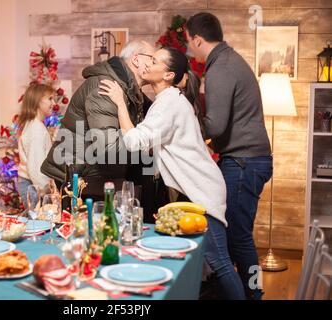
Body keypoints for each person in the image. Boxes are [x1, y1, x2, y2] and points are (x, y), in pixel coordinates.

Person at [99, 46, 246, 300]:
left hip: (202, 193)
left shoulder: (168, 104)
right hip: (195, 191)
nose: (147, 64)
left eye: (154, 61)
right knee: (204, 261)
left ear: (168, 75)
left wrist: (119, 102)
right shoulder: (167, 100)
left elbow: (135, 141)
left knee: (219, 261)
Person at [186, 12, 272, 300]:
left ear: (197, 39)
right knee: (241, 237)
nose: (188, 49)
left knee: (240, 238)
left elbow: (215, 126)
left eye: (189, 42)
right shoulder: (229, 59)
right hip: (248, 159)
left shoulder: (220, 67)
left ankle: (255, 294)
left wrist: (186, 121)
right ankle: (252, 292)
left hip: (244, 161)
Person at [40, 40, 155, 201]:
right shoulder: (105, 87)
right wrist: (146, 147)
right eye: (152, 58)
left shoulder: (129, 90)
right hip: (81, 180)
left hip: (95, 177)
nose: (155, 64)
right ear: (136, 60)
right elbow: (108, 150)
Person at [17, 83, 56, 209]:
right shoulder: (36, 130)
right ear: (38, 101)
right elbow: (35, 167)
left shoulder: (34, 125)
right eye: (50, 99)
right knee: (38, 224)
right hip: (33, 186)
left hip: (30, 184)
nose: (54, 103)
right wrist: (48, 191)